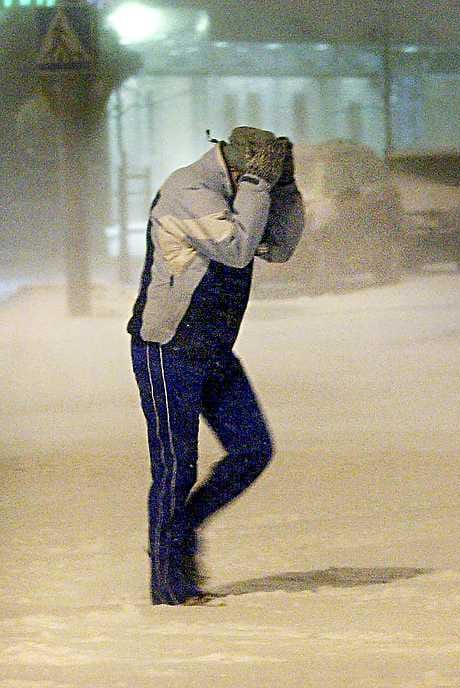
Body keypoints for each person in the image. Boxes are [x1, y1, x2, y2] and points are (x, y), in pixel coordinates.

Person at [127, 127, 304, 605]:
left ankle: (179, 530)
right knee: (175, 469)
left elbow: (281, 247)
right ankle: (169, 586)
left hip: (212, 350)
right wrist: (256, 186)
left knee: (253, 448)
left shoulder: (239, 193)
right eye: (259, 170)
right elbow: (237, 248)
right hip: (167, 348)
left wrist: (282, 188)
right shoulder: (189, 191)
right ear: (236, 164)